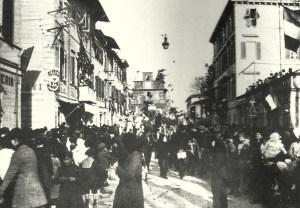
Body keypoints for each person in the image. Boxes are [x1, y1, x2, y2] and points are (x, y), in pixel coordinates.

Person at [0, 128, 48, 208]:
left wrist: (0, 191)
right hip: (37, 193)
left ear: (15, 140)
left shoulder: (18, 154)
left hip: (23, 194)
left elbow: (9, 176)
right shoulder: (31, 151)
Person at [113, 133, 144, 208]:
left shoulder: (135, 155)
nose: (122, 145)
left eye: (124, 142)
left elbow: (129, 174)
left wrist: (117, 168)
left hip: (132, 190)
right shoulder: (129, 153)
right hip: (126, 188)